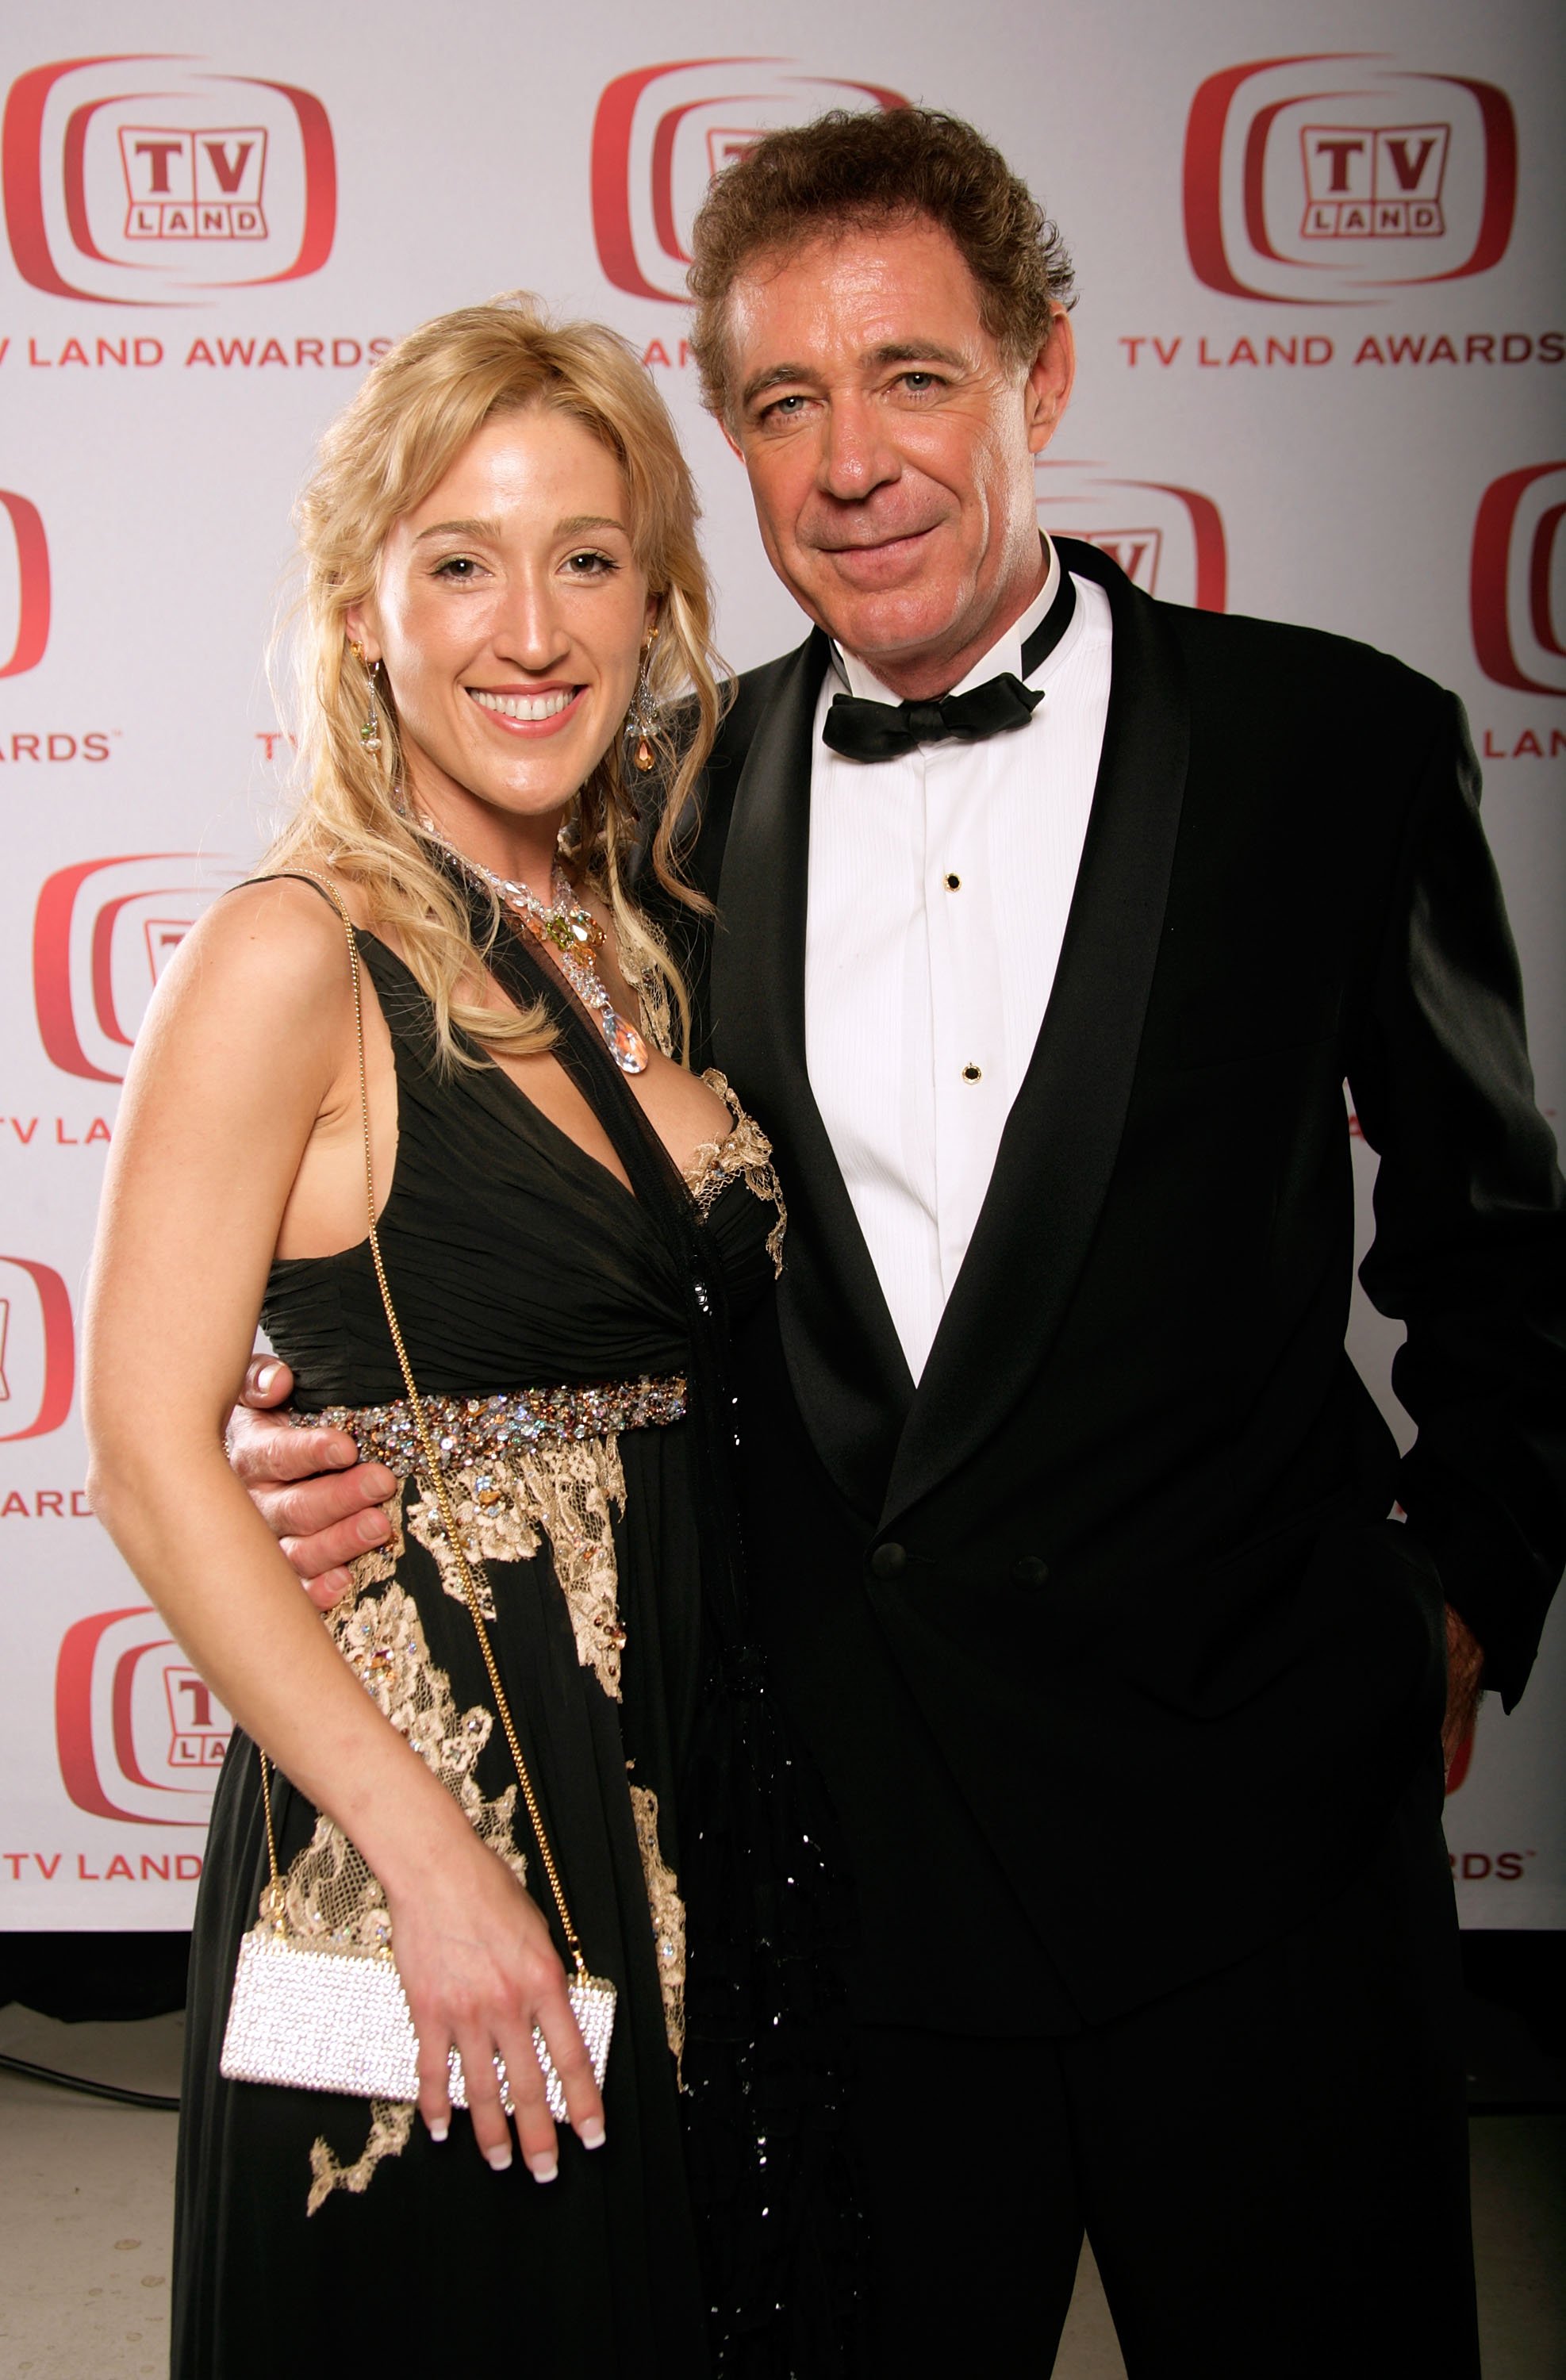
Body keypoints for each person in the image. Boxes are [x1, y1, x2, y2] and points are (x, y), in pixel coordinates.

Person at [228, 113, 1566, 2375]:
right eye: (782, 403)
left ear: (1044, 375)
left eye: (916, 379)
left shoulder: (1333, 747)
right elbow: (493, 1211)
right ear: (730, 442)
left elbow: (1504, 1250)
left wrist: (1461, 1595)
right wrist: (318, 1421)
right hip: (842, 1876)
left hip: (1261, 1857)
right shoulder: (658, 806)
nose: (854, 463)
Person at [83, 297, 845, 2378]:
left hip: (700, 1769)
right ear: (360, 616)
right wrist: (433, 1869)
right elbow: (150, 1451)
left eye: (587, 556)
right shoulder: (290, 952)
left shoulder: (684, 938)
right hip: (421, 1810)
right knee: (427, 2300)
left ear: (658, 600)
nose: (531, 625)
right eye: (458, 559)